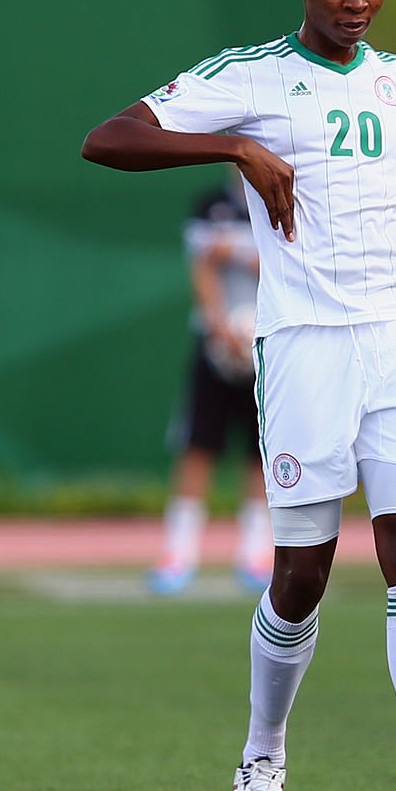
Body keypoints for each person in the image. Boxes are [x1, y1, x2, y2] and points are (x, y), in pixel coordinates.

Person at [81, 0, 396, 791]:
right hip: (302, 347)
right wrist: (235, 146)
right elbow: (110, 138)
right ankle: (261, 761)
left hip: (394, 335)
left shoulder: (394, 80)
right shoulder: (251, 77)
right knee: (299, 570)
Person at [150, 167, 272, 595]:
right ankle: (178, 554)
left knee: (262, 452)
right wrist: (220, 327)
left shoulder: (283, 200)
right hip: (216, 346)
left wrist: (238, 255)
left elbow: (289, 264)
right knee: (197, 446)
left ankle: (256, 555)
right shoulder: (211, 205)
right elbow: (201, 266)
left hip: (269, 345)